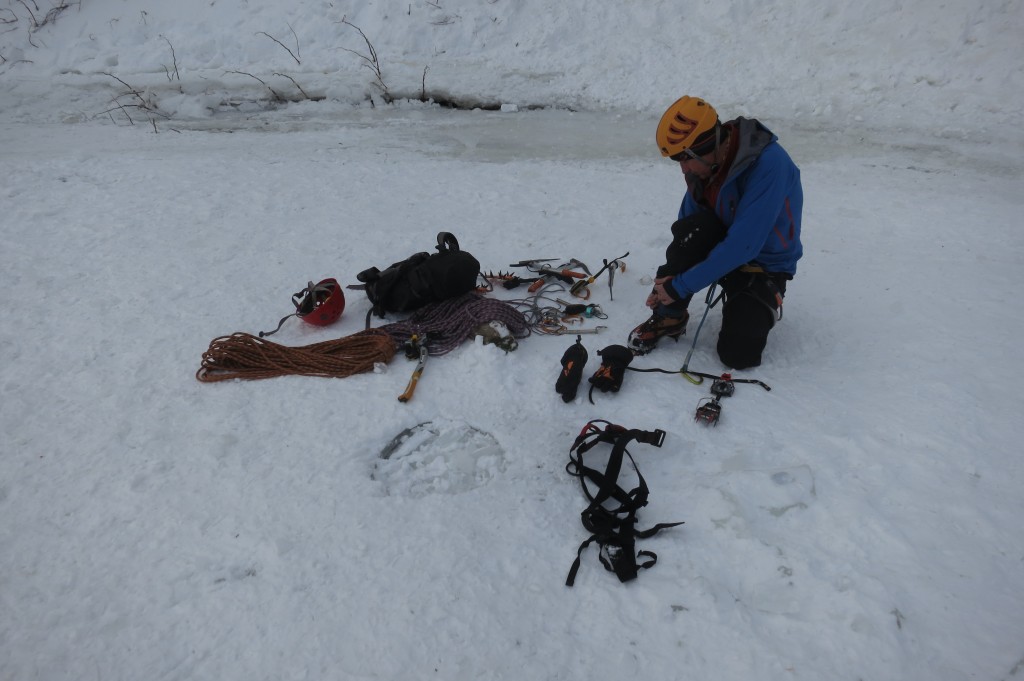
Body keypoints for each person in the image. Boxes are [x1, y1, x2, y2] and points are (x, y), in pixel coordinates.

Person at [627, 96, 803, 370]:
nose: (683, 169)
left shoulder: (769, 164)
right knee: (693, 230)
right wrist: (668, 277)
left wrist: (681, 285)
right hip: (727, 245)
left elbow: (745, 246)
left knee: (738, 356)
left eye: (685, 160)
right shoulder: (705, 166)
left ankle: (759, 300)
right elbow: (688, 225)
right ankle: (671, 316)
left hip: (762, 265)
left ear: (705, 147)